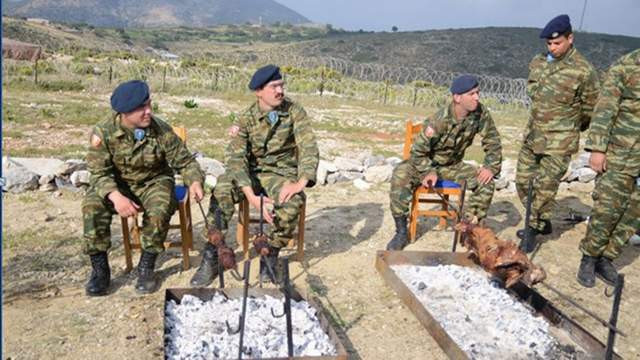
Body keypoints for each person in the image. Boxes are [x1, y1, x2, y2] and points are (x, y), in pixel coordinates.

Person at [190, 65, 319, 286]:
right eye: (274, 86)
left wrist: (301, 182)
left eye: (281, 85)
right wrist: (250, 196)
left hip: (280, 173)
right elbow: (236, 160)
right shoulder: (245, 119)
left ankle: (270, 255)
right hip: (248, 174)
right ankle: (213, 254)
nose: (280, 90)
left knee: (293, 201)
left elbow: (308, 146)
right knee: (221, 190)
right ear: (259, 91)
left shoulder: (294, 111)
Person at [82, 80, 204, 296]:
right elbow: (99, 172)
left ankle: (147, 267)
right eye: (141, 108)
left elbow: (185, 162)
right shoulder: (104, 132)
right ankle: (100, 270)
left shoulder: (161, 130)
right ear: (124, 113)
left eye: (149, 105)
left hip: (153, 181)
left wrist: (194, 181)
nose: (148, 112)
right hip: (117, 185)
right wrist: (116, 197)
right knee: (92, 205)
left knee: (160, 206)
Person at [386, 75, 503, 250]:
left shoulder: (480, 114)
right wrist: (427, 172)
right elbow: (417, 151)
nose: (477, 97)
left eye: (478, 92)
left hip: (452, 165)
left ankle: (468, 228)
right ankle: (401, 231)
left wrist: (490, 167)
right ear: (457, 98)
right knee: (400, 174)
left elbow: (493, 140)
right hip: (426, 163)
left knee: (485, 182)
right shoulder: (439, 120)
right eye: (472, 94)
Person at [515, 14, 600, 252]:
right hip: (533, 135)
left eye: (557, 43)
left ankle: (531, 230)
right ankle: (542, 221)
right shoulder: (538, 62)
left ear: (570, 39)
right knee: (522, 181)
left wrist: (572, 126)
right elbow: (533, 93)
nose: (552, 47)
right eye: (549, 43)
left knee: (543, 187)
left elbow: (591, 108)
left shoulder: (583, 70)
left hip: (560, 141)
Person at [576, 49, 640, 288]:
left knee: (632, 214)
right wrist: (597, 149)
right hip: (621, 153)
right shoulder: (625, 67)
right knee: (607, 208)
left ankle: (607, 258)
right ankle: (589, 257)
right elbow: (605, 110)